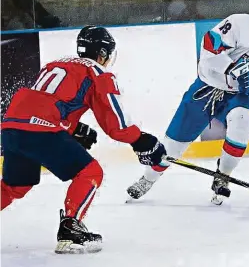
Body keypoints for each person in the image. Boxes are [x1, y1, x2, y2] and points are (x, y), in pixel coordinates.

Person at [126, 0, 249, 205]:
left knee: (244, 125)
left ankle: (222, 176)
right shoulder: (237, 24)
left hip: (239, 96)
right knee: (173, 147)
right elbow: (209, 47)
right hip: (206, 89)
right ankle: (148, 179)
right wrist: (236, 69)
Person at [0, 25, 166, 254]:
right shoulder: (98, 72)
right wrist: (142, 141)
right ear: (104, 53)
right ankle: (70, 229)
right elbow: (116, 123)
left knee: (13, 187)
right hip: (42, 130)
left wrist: (73, 127)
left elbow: (44, 102)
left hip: (10, 127)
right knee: (90, 172)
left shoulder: (56, 64)